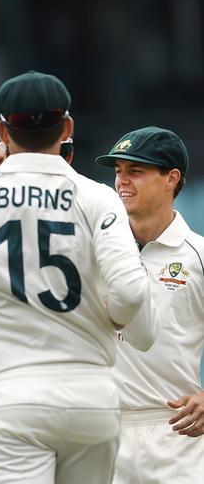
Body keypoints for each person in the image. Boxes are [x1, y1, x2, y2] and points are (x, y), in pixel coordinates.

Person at [0, 70, 159, 484]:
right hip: (93, 402)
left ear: (2, 131)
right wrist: (109, 310)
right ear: (66, 128)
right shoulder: (99, 198)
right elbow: (131, 293)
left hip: (13, 400)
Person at [95, 126, 204, 483]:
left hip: (177, 435)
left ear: (171, 178)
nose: (122, 182)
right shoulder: (95, 249)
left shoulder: (198, 256)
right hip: (102, 433)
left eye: (135, 171)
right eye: (118, 171)